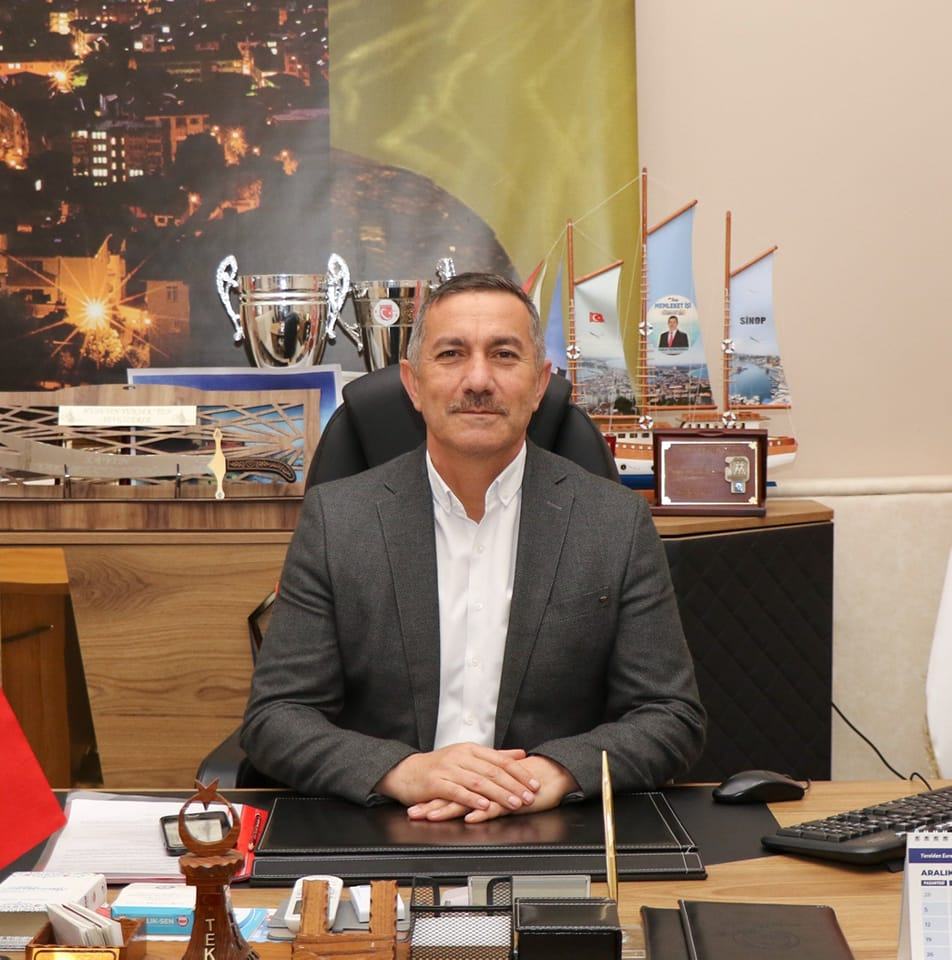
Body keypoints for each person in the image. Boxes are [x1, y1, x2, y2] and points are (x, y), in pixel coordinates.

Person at [241, 272, 705, 823]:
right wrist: (404, 771)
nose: (478, 380)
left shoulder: (614, 522)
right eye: (452, 354)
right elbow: (277, 717)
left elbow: (670, 716)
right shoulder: (338, 520)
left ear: (540, 383)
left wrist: (552, 773)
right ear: (413, 384)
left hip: (549, 827)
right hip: (383, 825)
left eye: (504, 355)